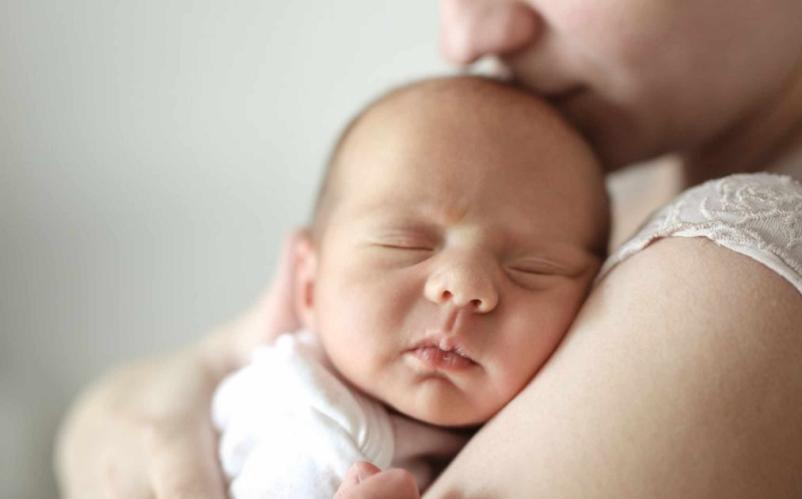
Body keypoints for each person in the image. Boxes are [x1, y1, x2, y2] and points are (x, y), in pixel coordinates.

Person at [56, 0, 802, 497]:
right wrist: (127, 409)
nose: (470, 36)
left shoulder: (745, 284)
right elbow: (122, 420)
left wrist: (154, 405)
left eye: (530, 267)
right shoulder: (616, 205)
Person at [210, 76, 609, 498]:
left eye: (533, 269)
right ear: (308, 285)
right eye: (406, 244)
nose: (464, 287)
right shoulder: (311, 426)